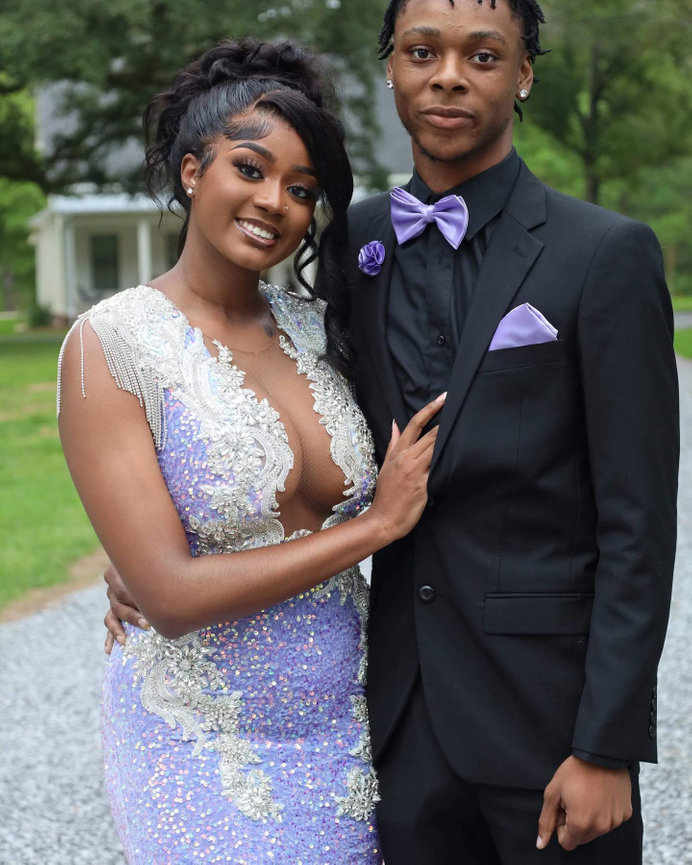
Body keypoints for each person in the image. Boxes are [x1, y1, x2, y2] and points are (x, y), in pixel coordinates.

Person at [105, 1, 679, 862]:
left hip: (548, 721)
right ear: (393, 68)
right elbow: (264, 399)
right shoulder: (352, 242)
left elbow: (639, 522)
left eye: (483, 55)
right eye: (422, 50)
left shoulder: (604, 254)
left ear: (522, 75)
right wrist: (145, 538)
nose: (449, 73)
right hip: (392, 724)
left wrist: (607, 744)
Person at [58, 38, 444, 865]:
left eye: (301, 189)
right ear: (193, 171)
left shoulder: (322, 330)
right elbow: (169, 594)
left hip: (346, 736)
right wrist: (373, 528)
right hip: (199, 747)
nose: (275, 201)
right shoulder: (114, 343)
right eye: (250, 168)